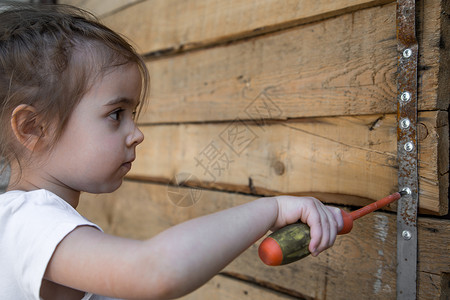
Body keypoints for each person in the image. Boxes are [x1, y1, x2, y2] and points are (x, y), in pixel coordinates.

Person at [0, 3, 343, 300]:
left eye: (132, 115)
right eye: (116, 114)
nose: (136, 134)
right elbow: (157, 270)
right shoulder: (25, 221)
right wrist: (274, 209)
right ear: (33, 128)